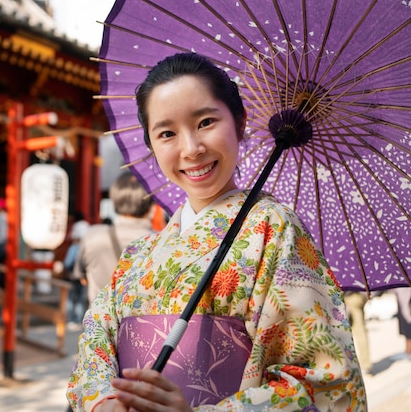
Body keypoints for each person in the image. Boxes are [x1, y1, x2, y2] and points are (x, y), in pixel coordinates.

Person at [66, 52, 366, 411]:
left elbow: (323, 379)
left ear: (239, 123)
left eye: (206, 122)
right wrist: (107, 402)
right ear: (150, 144)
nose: (191, 149)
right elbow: (95, 344)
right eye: (166, 133)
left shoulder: (274, 229)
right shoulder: (137, 255)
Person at [71, 171, 155, 304]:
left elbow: (82, 277)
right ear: (152, 205)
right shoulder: (161, 242)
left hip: (101, 321)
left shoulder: (92, 236)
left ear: (114, 199)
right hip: (142, 322)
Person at [64, 212, 90, 327]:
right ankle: (80, 319)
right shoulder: (87, 246)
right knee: (80, 297)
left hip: (72, 274)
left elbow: (67, 262)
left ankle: (71, 319)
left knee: (71, 297)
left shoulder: (74, 248)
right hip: (84, 274)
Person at [392, 287, 411, 361]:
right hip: (407, 293)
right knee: (409, 323)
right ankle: (410, 351)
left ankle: (410, 352)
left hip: (410, 294)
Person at [345, 291, 372, 375]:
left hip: (350, 296)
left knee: (358, 331)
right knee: (360, 330)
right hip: (359, 294)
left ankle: (364, 365)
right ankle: (365, 365)